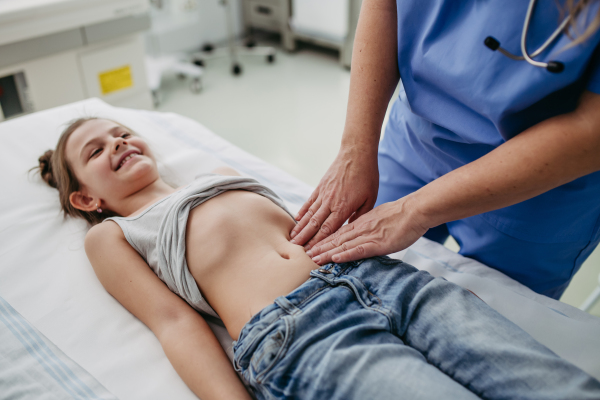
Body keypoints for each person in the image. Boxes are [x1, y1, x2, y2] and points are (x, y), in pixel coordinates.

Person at [36, 117, 600, 400]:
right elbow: (174, 322)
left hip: (388, 282)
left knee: (553, 385)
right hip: (301, 331)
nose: (117, 142)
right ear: (86, 198)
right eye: (97, 150)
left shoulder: (220, 176)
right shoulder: (114, 233)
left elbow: (313, 228)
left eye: (121, 132)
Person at [290, 0, 600, 299]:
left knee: (481, 326)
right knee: (350, 252)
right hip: (419, 136)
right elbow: (385, 5)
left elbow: (592, 128)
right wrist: (355, 148)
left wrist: (413, 210)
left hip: (537, 186)